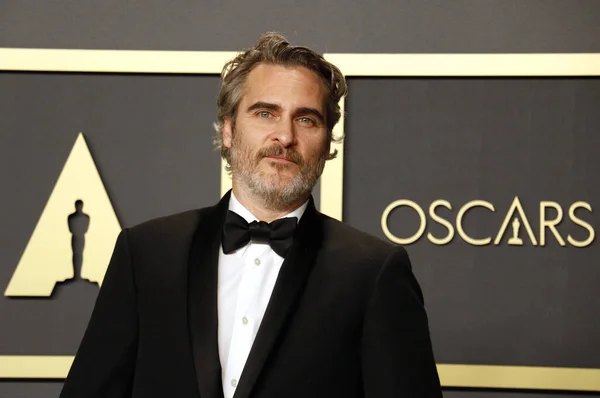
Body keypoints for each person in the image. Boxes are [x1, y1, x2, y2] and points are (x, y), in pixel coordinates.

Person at [60, 32, 442, 398]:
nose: (285, 136)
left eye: (306, 119)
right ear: (228, 130)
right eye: (265, 113)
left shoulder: (374, 272)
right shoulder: (145, 253)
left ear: (328, 144)